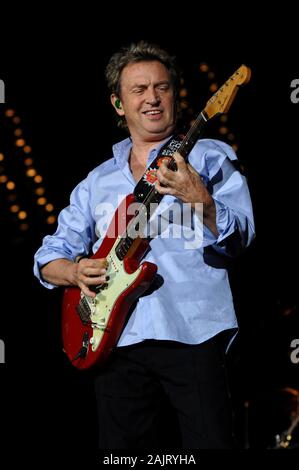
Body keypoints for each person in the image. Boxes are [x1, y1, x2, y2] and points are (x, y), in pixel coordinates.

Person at [34, 40, 255, 449]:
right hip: (116, 339)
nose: (152, 98)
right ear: (119, 104)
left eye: (162, 87)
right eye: (139, 90)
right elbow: (48, 256)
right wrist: (74, 270)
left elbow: (242, 236)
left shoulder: (208, 157)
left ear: (176, 93)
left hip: (195, 333)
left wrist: (201, 199)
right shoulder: (98, 180)